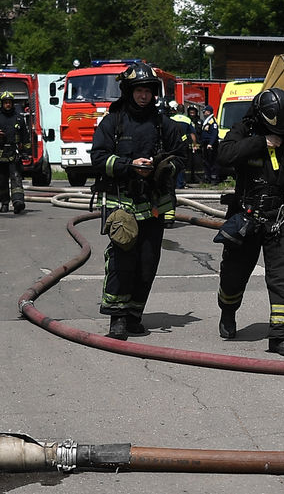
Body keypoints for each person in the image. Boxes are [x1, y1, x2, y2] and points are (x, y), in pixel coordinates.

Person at [214, 87, 284, 357]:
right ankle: (228, 313)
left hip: (281, 218)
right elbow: (222, 156)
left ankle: (279, 337)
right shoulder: (244, 131)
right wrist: (260, 143)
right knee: (233, 275)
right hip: (247, 216)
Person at [90, 61, 187, 340]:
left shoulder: (163, 125)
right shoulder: (114, 122)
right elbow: (98, 158)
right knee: (122, 260)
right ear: (128, 91)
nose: (144, 96)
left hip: (154, 204)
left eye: (148, 91)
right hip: (122, 201)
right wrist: (129, 165)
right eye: (139, 90)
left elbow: (181, 156)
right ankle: (117, 318)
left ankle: (134, 315)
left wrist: (162, 167)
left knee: (147, 263)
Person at [0, 91, 30, 213]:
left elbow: (25, 136)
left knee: (16, 178)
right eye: (5, 102)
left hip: (14, 152)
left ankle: (18, 202)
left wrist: (26, 151)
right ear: (2, 104)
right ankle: (4, 203)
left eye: (10, 102)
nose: (8, 104)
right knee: (2, 180)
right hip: (0, 153)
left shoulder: (19, 118)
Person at [163, 101, 198, 227]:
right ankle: (169, 218)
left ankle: (163, 217)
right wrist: (194, 145)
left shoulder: (168, 121)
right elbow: (190, 136)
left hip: (163, 159)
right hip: (175, 156)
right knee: (171, 186)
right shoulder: (186, 120)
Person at [199, 105, 220, 184]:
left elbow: (214, 134)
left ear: (209, 112)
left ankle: (214, 178)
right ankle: (208, 177)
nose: (204, 113)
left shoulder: (212, 121)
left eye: (205, 111)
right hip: (205, 144)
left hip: (211, 145)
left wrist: (210, 144)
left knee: (213, 161)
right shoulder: (207, 121)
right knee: (206, 161)